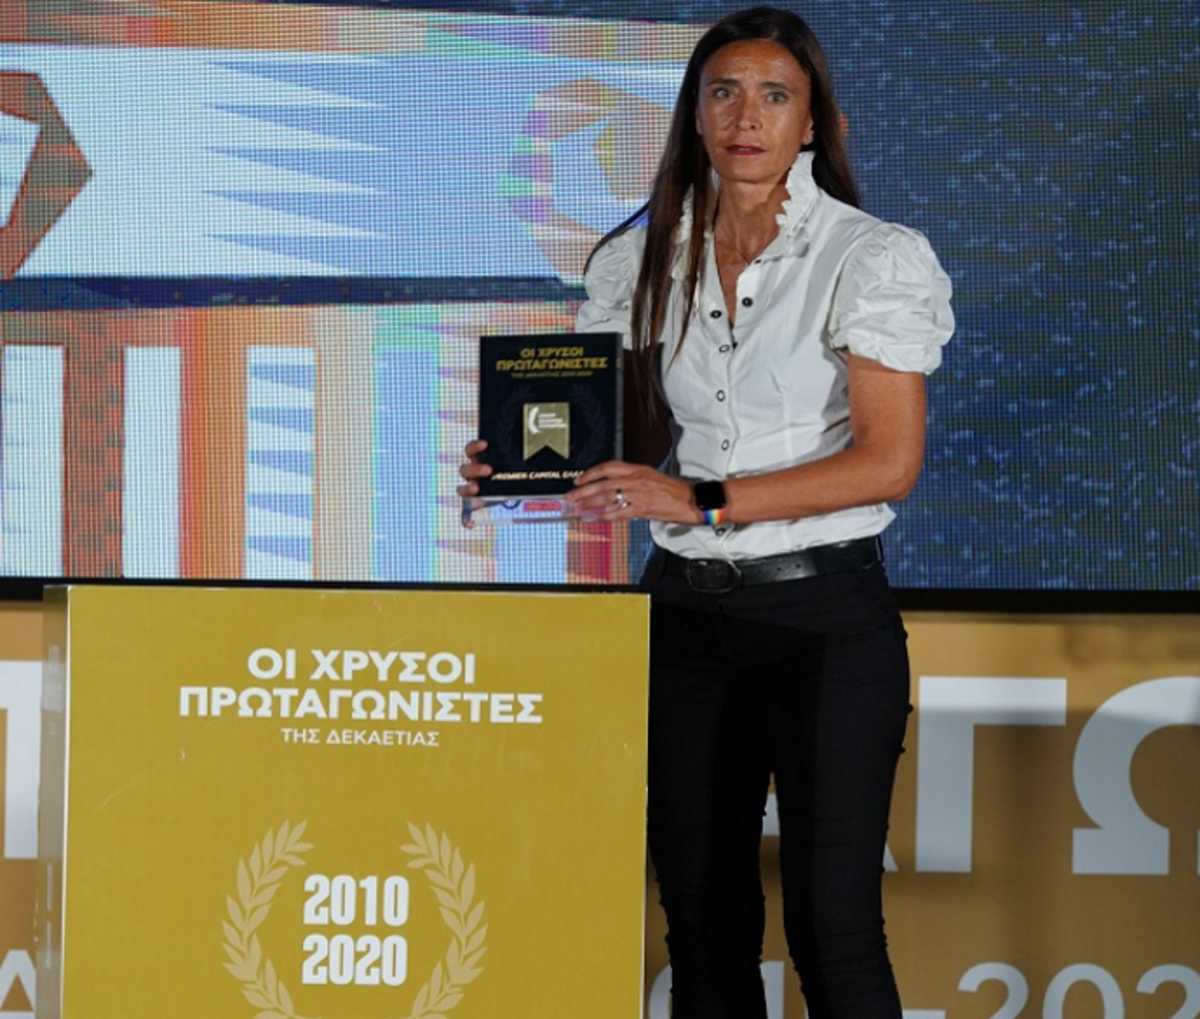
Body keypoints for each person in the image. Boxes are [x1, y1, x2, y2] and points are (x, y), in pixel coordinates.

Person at [461, 6, 954, 1017]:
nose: (746, 116)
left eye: (775, 95)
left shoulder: (871, 256)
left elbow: (888, 461)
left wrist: (703, 499)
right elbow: (631, 435)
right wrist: (522, 463)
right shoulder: (640, 257)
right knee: (701, 924)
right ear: (693, 113)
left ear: (813, 123)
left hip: (825, 621)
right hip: (683, 617)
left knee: (833, 928)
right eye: (723, 92)